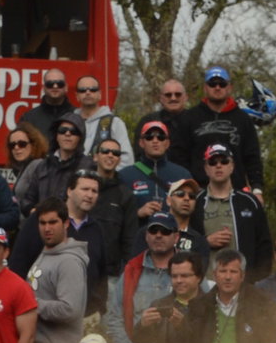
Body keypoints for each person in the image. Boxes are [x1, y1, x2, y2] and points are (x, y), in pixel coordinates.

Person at [13, 197, 88, 343]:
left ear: (66, 223)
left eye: (53, 222)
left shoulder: (69, 262)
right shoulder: (46, 253)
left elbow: (69, 309)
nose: (47, 228)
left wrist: (28, 304)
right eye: (42, 223)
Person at [189, 143, 272, 279]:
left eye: (224, 161)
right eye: (212, 162)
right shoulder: (195, 202)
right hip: (206, 283)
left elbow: (264, 245)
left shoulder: (250, 202)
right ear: (206, 168)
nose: (218, 165)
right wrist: (205, 242)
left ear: (232, 166)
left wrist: (258, 279)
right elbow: (183, 241)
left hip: (244, 283)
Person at [108, 214, 182, 343]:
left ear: (176, 237)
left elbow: (203, 314)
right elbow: (114, 317)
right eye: (153, 231)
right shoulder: (131, 270)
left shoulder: (189, 269)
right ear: (146, 236)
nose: (158, 235)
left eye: (165, 231)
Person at [185, 66, 264, 193]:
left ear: (229, 87)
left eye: (222, 84)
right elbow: (181, 156)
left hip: (236, 191)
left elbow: (252, 157)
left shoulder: (243, 119)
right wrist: (187, 187)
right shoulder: (190, 118)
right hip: (198, 192)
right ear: (205, 88)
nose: (217, 87)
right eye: (212, 84)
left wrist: (257, 189)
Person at [119, 119, 191, 244]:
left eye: (161, 137)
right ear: (141, 142)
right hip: (138, 241)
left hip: (174, 241)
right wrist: (138, 213)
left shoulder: (182, 174)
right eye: (149, 137)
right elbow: (115, 214)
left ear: (167, 143)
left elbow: (192, 211)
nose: (155, 141)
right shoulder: (125, 175)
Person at [17, 115, 85, 213]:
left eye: (73, 131)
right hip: (42, 224)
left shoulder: (88, 165)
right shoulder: (43, 165)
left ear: (80, 137)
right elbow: (27, 200)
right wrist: (34, 211)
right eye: (62, 130)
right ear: (56, 135)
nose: (67, 134)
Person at [64, 168, 110, 313]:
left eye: (94, 191)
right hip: (51, 317)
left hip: (88, 316)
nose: (90, 195)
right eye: (85, 189)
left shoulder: (97, 229)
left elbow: (102, 274)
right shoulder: (49, 222)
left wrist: (100, 307)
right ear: (69, 191)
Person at [89, 138, 132, 281]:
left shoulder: (125, 194)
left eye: (115, 153)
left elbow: (129, 238)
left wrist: (126, 272)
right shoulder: (83, 188)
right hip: (80, 266)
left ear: (119, 159)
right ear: (95, 156)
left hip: (111, 274)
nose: (110, 155)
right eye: (105, 151)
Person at [70, 74, 133, 166]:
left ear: (100, 94)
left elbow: (127, 159)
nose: (88, 92)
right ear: (77, 96)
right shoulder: (69, 123)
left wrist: (107, 176)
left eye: (93, 89)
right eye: (83, 90)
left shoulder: (115, 123)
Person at [140, 76, 197, 170]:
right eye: (168, 95)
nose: (173, 98)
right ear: (161, 98)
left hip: (190, 178)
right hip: (155, 176)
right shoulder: (148, 121)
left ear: (186, 97)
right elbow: (139, 155)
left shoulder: (196, 120)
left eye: (178, 94)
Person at [15, 69, 74, 145]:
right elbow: (20, 146)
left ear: (66, 87)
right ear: (44, 88)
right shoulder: (29, 118)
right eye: (50, 84)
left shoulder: (77, 115)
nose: (55, 86)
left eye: (60, 83)